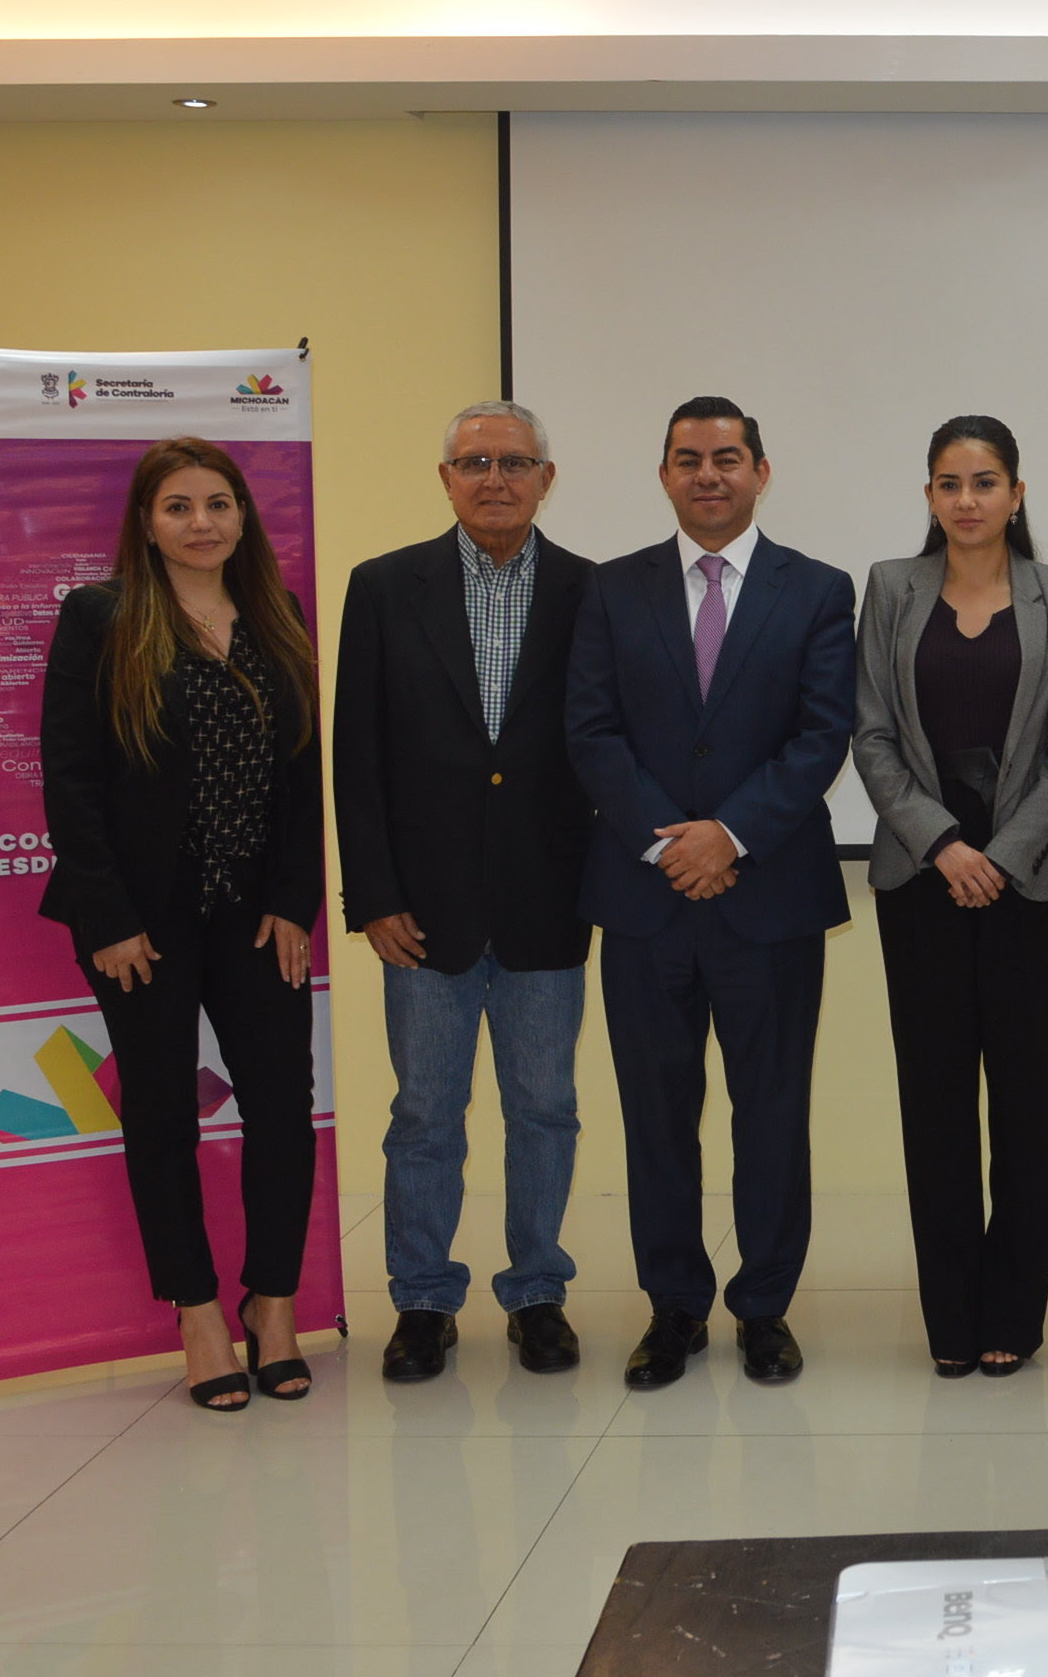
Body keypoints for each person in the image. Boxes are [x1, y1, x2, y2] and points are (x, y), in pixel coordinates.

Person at [566, 396, 857, 1391]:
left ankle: (764, 1307)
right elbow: (590, 730)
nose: (708, 474)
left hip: (767, 898)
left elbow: (822, 732)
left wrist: (728, 835)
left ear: (760, 472)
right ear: (663, 475)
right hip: (644, 899)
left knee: (770, 1112)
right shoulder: (612, 589)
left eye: (727, 457)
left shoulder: (816, 589)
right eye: (687, 458)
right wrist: (671, 843)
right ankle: (674, 1306)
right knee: (656, 1115)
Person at [39, 436, 324, 1412]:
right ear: (147, 522)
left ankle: (272, 1305)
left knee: (283, 1108)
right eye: (179, 506)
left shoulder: (277, 614)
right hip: (141, 921)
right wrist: (109, 914)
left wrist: (294, 898)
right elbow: (71, 777)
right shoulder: (102, 616)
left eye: (218, 503)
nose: (201, 522)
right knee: (160, 1112)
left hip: (258, 916)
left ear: (243, 516)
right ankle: (197, 1313)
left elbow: (300, 772)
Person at [335, 400, 595, 1383]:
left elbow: (603, 744)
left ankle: (536, 1292)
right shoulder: (383, 586)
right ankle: (422, 1299)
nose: (495, 478)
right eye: (475, 462)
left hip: (548, 900)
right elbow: (356, 755)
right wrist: (373, 895)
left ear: (546, 478)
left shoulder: (590, 591)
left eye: (514, 463)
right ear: (444, 477)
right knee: (425, 1115)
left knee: (544, 1109)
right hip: (421, 910)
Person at [853, 416, 1048, 1378]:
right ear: (929, 496)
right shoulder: (890, 588)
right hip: (921, 881)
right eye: (949, 484)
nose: (967, 500)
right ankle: (950, 1319)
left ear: (1016, 494)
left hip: (1029, 885)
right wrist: (945, 845)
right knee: (936, 1103)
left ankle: (1014, 1317)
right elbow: (872, 734)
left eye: (985, 482)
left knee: (1027, 1105)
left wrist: (1002, 852)